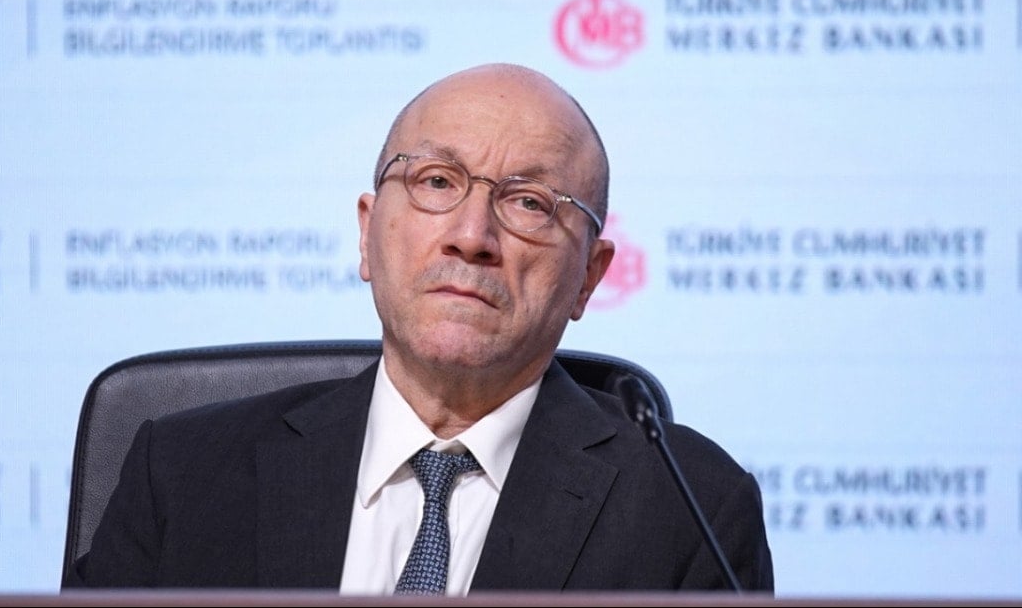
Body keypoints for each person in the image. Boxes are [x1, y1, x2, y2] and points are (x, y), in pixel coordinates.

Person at [65, 63, 774, 593]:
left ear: (589, 276)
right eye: (436, 181)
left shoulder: (692, 512)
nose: (472, 236)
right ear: (368, 232)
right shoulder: (182, 473)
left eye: (530, 202)